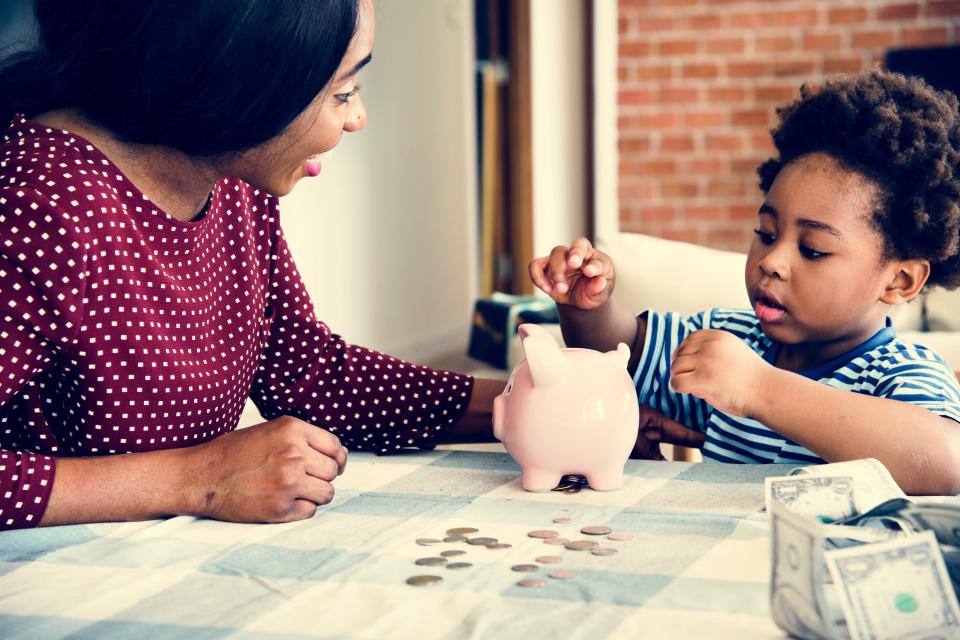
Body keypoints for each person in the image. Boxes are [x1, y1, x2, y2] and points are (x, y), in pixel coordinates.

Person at [0, 0, 514, 532]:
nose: (358, 117)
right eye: (342, 92)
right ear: (237, 80)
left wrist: (520, 403)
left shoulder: (228, 176)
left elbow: (306, 373)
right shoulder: (42, 208)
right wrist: (197, 478)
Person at [530, 70, 960, 495]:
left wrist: (758, 388)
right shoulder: (732, 339)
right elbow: (624, 353)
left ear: (900, 280)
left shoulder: (901, 375)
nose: (771, 260)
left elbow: (945, 464)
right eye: (766, 234)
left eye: (812, 249)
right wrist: (587, 305)